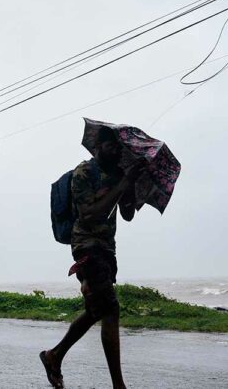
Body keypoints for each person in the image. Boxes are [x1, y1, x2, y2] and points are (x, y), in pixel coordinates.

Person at [40, 126, 146, 389]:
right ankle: (119, 385)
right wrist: (122, 183)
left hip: (107, 249)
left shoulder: (118, 174)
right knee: (111, 309)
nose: (117, 151)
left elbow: (128, 214)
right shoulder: (83, 173)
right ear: (97, 147)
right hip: (86, 246)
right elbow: (89, 214)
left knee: (96, 309)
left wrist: (130, 185)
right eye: (112, 146)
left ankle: (54, 356)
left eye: (119, 148)